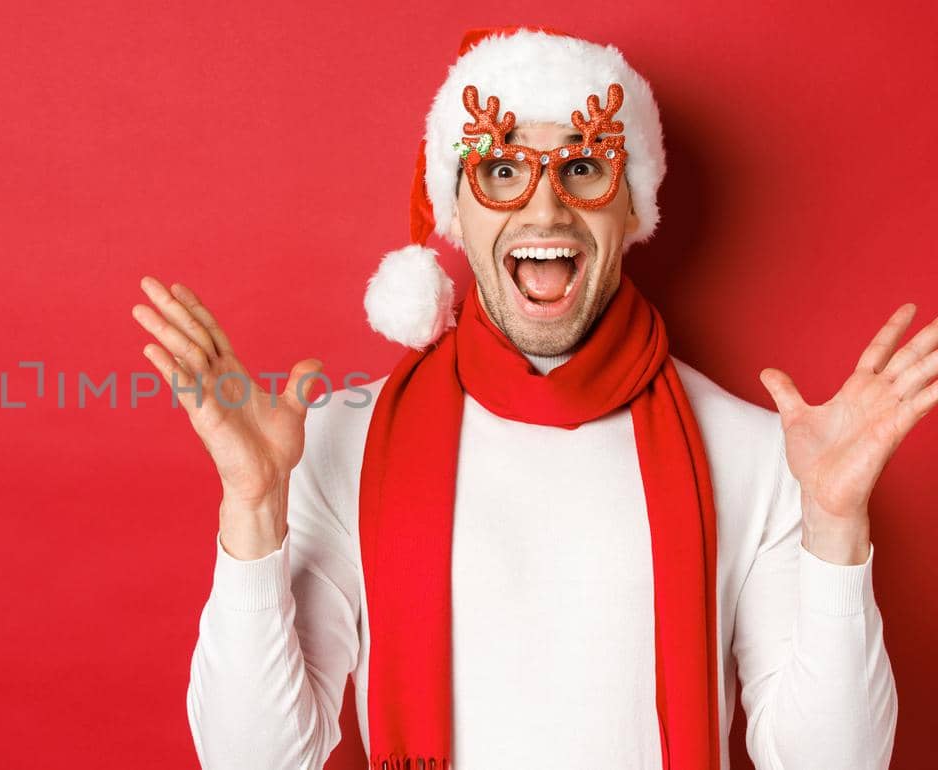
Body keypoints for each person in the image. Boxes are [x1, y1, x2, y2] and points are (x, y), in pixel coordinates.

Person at [132, 26, 928, 770]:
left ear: (631, 207)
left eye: (584, 168)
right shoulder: (339, 443)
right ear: (457, 211)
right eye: (501, 171)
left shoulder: (758, 453)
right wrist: (253, 507)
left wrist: (834, 528)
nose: (544, 210)